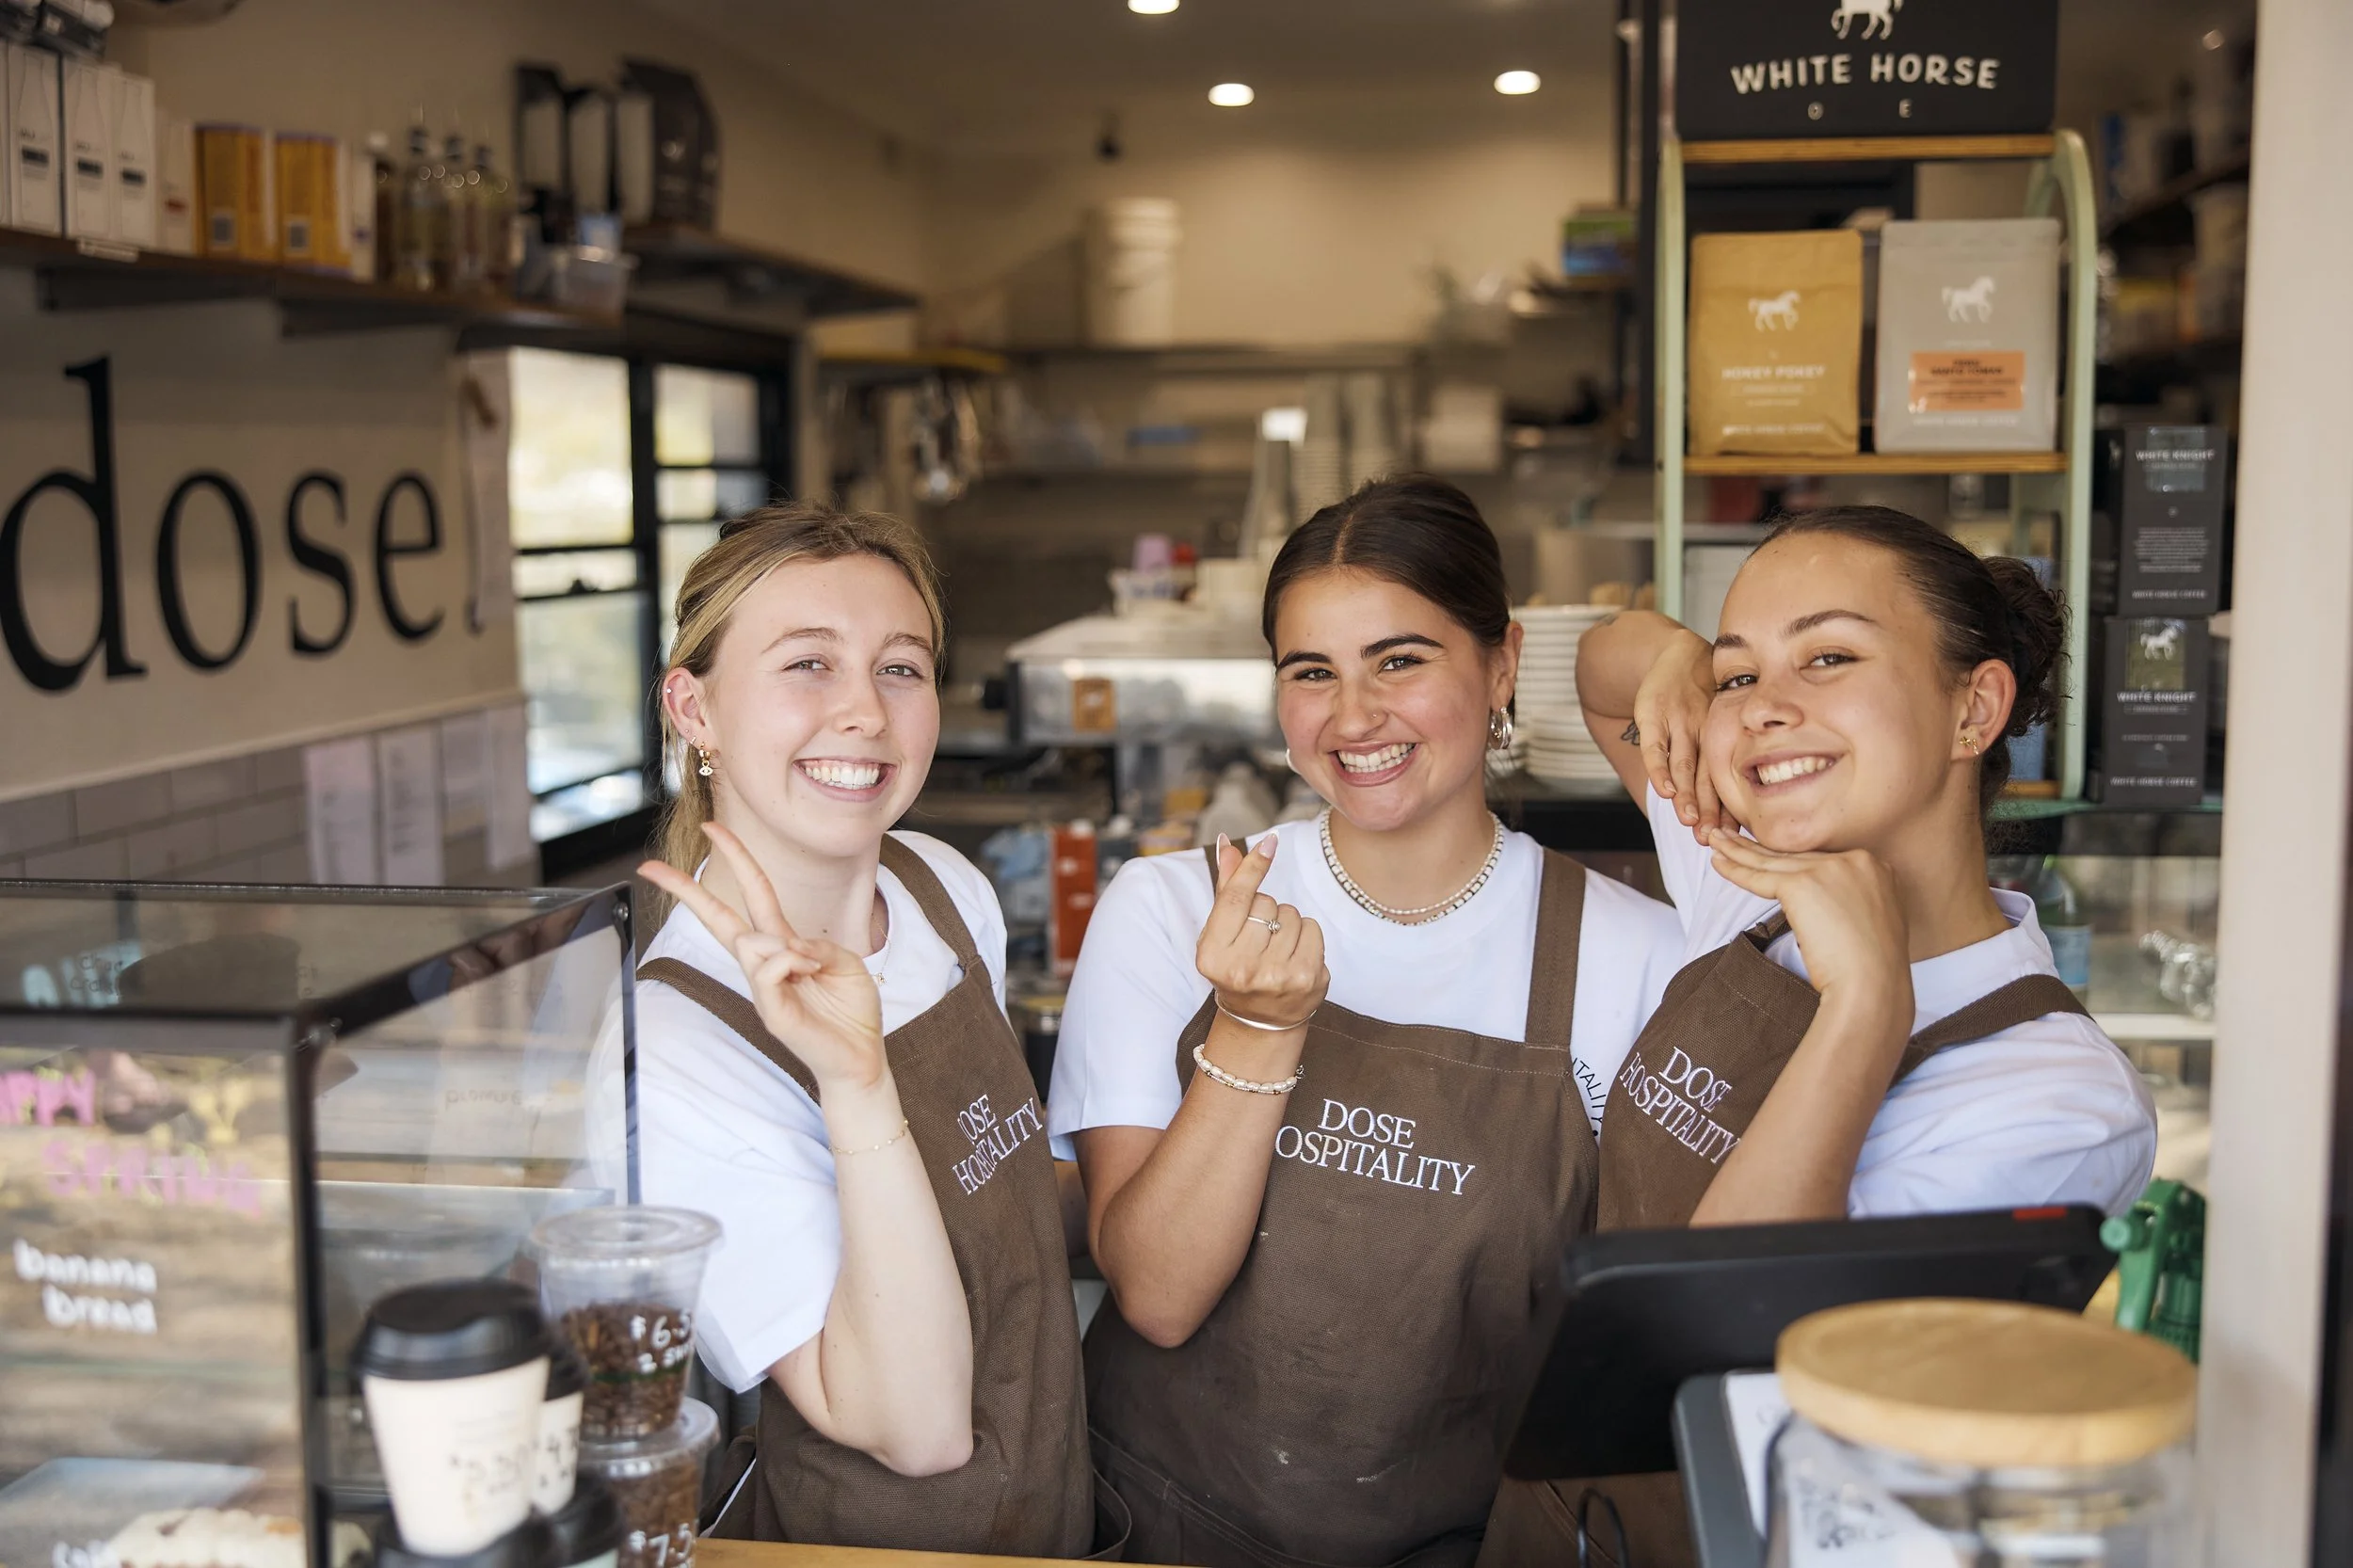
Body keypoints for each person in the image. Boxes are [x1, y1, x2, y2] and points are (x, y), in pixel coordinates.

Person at [1478, 504, 2156, 1567]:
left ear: (1975, 708)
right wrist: (1676, 656)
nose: (1760, 711)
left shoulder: (2055, 1098)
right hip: (1546, 1527)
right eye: (1744, 677)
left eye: (1828, 657)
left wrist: (1864, 1008)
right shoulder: (1742, 881)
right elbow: (1608, 671)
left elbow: (1712, 1340)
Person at [1053, 475, 1687, 1568]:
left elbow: (1651, 1338)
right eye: (1312, 672)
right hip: (1159, 1531)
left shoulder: (1634, 956)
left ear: (1499, 665)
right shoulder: (1168, 911)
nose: (1352, 717)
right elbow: (1153, 1294)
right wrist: (1251, 1032)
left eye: (1399, 660)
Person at [625, 503, 1105, 1557]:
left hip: (1057, 1510)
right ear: (691, 706)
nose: (866, 714)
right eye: (807, 664)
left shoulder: (942, 889)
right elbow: (913, 1427)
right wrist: (855, 1080)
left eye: (901, 667)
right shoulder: (680, 1044)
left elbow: (1010, 1207)